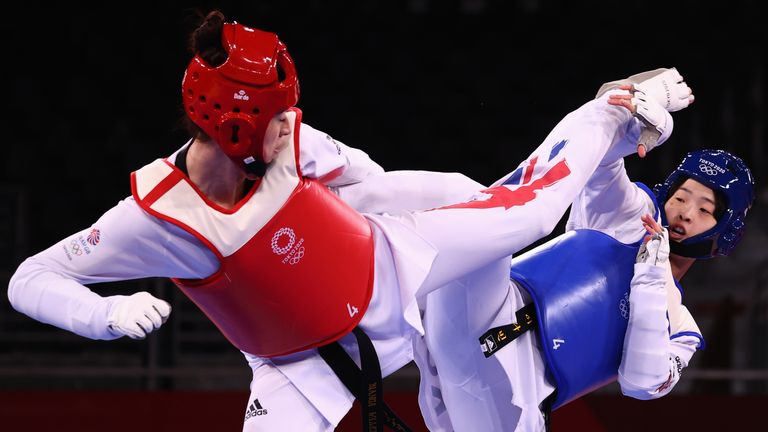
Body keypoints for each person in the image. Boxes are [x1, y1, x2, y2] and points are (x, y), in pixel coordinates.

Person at [6, 10, 692, 432]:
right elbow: (30, 277)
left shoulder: (294, 142)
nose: (289, 127)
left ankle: (614, 111)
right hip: (302, 362)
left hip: (397, 257)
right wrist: (103, 315)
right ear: (231, 119)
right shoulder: (156, 218)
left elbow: (368, 179)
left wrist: (459, 201)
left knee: (532, 206)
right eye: (275, 116)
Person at [410, 106, 754, 430]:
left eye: (705, 209)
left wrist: (649, 279)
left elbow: (642, 382)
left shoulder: (682, 328)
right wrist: (625, 117)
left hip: (514, 397)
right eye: (681, 197)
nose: (685, 213)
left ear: (725, 231)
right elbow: (602, 165)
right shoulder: (631, 213)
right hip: (486, 313)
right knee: (465, 197)